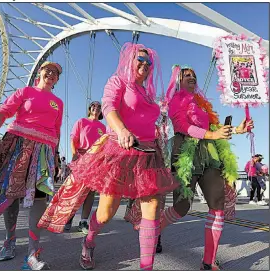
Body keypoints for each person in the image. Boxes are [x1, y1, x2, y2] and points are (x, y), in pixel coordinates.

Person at [38, 42, 179, 271]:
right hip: (120, 152)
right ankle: (89, 241)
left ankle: (147, 266)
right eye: (139, 60)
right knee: (105, 213)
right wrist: (122, 130)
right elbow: (109, 106)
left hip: (148, 155)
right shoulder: (118, 82)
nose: (144, 64)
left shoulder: (150, 94)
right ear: (130, 62)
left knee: (152, 212)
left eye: (148, 62)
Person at [126, 65, 254, 270]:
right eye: (187, 76)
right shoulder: (177, 99)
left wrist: (237, 129)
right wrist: (212, 135)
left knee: (217, 203)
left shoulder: (201, 103)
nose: (192, 77)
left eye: (194, 75)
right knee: (182, 206)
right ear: (178, 80)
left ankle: (209, 261)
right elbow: (182, 126)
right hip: (185, 151)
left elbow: (212, 128)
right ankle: (155, 231)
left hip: (208, 153)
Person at [0, 61, 63, 270]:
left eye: (56, 72)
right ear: (40, 72)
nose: (52, 73)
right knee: (12, 196)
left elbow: (57, 131)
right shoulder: (24, 92)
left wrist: (55, 156)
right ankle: (10, 241)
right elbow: (2, 113)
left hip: (44, 151)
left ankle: (32, 254)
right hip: (19, 146)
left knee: (39, 197)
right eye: (48, 69)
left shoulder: (58, 102)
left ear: (57, 79)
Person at [64, 101, 106, 232]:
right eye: (94, 106)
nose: (96, 108)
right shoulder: (81, 122)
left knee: (90, 192)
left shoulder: (103, 128)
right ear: (89, 109)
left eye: (99, 107)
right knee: (76, 190)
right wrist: (74, 154)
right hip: (81, 158)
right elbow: (73, 139)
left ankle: (83, 221)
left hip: (95, 162)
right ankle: (69, 216)